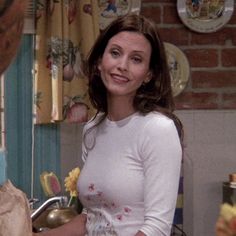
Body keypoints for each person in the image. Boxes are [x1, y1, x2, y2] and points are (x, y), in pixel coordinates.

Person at [36, 13, 183, 236]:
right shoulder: (93, 128)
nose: (122, 65)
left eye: (136, 59)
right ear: (99, 62)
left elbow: (157, 228)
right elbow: (92, 218)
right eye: (115, 53)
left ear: (148, 75)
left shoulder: (158, 129)